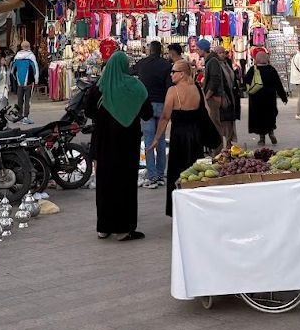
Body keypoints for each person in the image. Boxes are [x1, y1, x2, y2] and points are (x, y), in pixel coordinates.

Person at [86, 52, 152, 241]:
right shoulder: (136, 87)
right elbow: (147, 113)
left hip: (103, 141)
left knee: (105, 182)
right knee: (125, 183)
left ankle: (103, 227)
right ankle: (123, 229)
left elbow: (89, 111)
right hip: (127, 143)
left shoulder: (99, 87)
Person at [150, 59, 208, 216]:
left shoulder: (172, 91)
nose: (171, 74)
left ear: (182, 74)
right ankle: (196, 208)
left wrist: (156, 138)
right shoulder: (197, 88)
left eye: (174, 72)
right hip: (196, 137)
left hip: (179, 137)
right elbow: (205, 112)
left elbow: (164, 117)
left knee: (177, 173)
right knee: (196, 172)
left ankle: (179, 210)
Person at [132, 41, 171, 189]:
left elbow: (129, 72)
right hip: (161, 105)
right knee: (160, 139)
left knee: (148, 141)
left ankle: (152, 175)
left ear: (150, 50)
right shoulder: (166, 65)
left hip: (146, 105)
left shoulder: (142, 63)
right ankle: (161, 174)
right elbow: (169, 86)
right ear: (160, 51)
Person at [245, 49, 287, 146]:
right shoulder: (271, 70)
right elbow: (278, 85)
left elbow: (246, 81)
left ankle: (262, 138)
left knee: (259, 117)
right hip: (269, 99)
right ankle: (271, 132)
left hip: (256, 99)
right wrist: (283, 97)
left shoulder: (253, 69)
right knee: (269, 116)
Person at [202, 41, 237, 149]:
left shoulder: (227, 64)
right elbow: (216, 81)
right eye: (220, 53)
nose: (222, 55)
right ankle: (222, 145)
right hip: (221, 96)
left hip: (228, 96)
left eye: (223, 53)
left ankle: (229, 142)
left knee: (229, 120)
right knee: (221, 120)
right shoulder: (215, 64)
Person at [11, 41, 39, 125]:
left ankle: (19, 116)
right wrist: (36, 80)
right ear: (29, 46)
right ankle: (26, 117)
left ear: (21, 47)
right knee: (27, 100)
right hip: (29, 84)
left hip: (20, 83)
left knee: (20, 100)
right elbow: (35, 70)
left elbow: (12, 71)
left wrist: (17, 79)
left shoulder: (17, 57)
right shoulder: (31, 57)